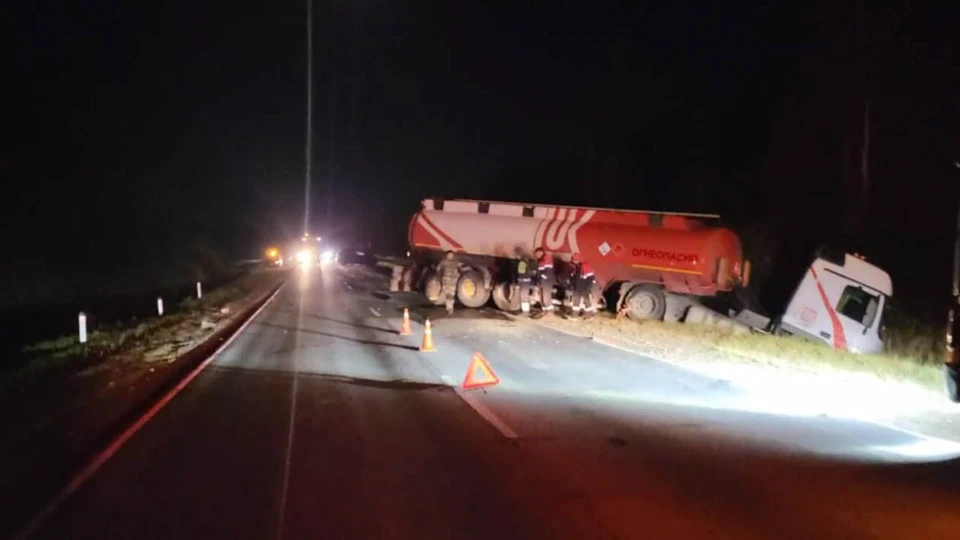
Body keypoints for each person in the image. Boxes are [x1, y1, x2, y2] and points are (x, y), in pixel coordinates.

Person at [569, 252, 596, 319]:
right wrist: (572, 285)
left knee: (587, 302)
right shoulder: (576, 267)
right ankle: (574, 316)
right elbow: (574, 277)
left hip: (584, 288)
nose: (573, 261)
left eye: (574, 260)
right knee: (576, 302)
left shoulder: (586, 267)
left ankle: (589, 316)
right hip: (577, 288)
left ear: (578, 260)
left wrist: (587, 288)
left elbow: (590, 279)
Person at [532, 247, 555, 318]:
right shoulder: (541, 260)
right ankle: (544, 310)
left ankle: (550, 312)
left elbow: (548, 272)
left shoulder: (546, 258)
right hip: (542, 281)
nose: (536, 255)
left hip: (546, 282)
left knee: (546, 297)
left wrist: (541, 277)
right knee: (542, 297)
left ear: (541, 252)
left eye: (537, 254)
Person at [515, 249, 536, 316]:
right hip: (526, 281)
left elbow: (521, 274)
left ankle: (525, 312)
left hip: (524, 282)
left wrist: (519, 284)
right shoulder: (526, 262)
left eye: (517, 254)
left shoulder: (522, 263)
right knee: (524, 296)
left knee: (523, 296)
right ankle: (525, 311)